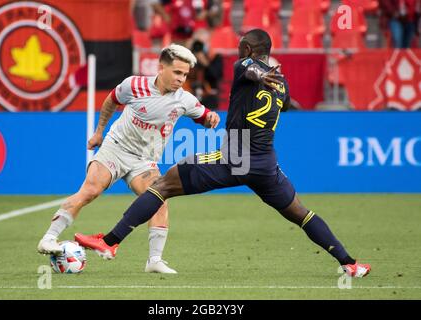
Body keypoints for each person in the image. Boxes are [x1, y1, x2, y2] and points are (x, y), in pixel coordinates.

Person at [75, 29, 371, 278]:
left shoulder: (245, 65)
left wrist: (257, 72)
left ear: (247, 48)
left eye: (242, 45)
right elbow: (288, 104)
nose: (238, 49)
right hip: (266, 165)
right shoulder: (281, 82)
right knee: (301, 213)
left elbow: (251, 70)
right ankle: (350, 264)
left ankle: (110, 242)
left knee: (161, 186)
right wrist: (272, 85)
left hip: (236, 158)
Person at [37, 44, 221, 274]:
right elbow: (111, 101)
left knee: (159, 199)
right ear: (161, 67)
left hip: (144, 160)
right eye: (177, 72)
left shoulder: (185, 100)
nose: (181, 79)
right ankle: (49, 238)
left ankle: (154, 260)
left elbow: (204, 116)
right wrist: (98, 132)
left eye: (185, 74)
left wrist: (211, 118)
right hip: (116, 148)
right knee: (91, 190)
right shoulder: (134, 85)